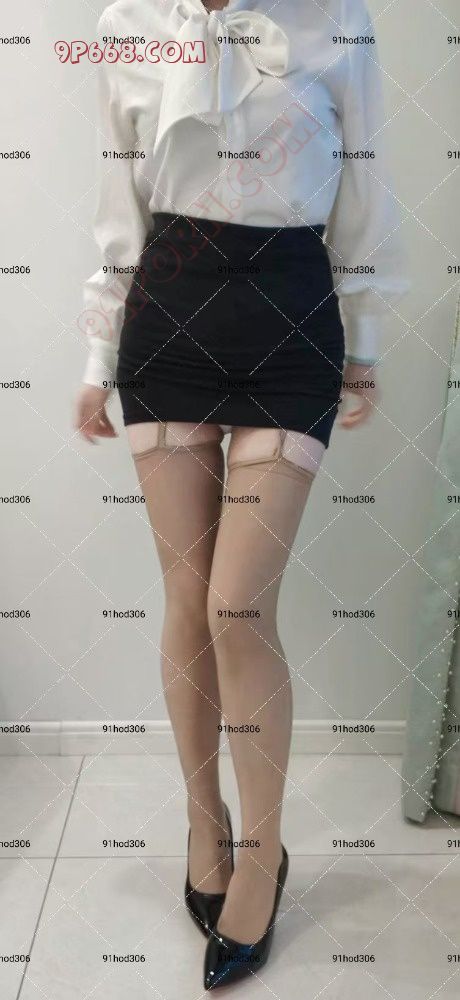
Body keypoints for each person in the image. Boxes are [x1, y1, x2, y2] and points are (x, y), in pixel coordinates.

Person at [75, 0, 407, 988]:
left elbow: (365, 180)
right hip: (167, 319)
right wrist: (97, 354)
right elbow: (120, 197)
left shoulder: (336, 17)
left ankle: (262, 853)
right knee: (188, 600)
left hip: (290, 318)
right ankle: (203, 826)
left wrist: (366, 341)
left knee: (236, 605)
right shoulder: (129, 20)